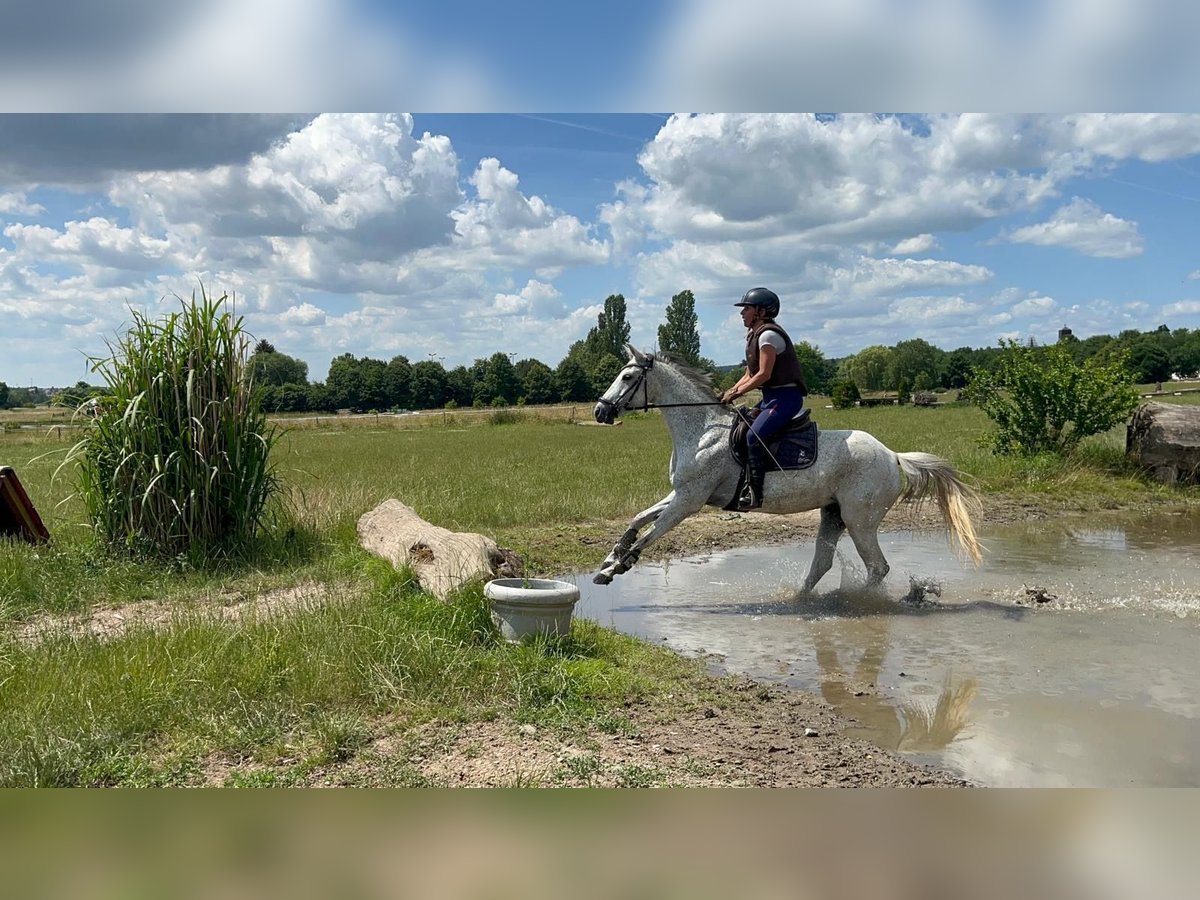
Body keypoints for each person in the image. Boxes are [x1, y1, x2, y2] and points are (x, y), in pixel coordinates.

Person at [719, 287, 807, 510]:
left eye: (746, 309)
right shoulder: (754, 335)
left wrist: (738, 393)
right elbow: (749, 373)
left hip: (786, 398)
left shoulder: (768, 335)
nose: (742, 314)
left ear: (760, 311)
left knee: (752, 436)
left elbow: (764, 374)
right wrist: (728, 391)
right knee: (739, 427)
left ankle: (755, 493)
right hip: (771, 398)